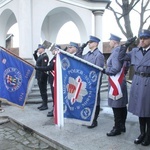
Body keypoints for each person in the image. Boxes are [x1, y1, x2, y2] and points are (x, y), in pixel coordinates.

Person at [118, 29, 150, 146]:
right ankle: (142, 133)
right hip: (137, 81)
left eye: (145, 38)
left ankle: (148, 135)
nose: (142, 40)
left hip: (148, 82)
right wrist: (126, 45)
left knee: (148, 110)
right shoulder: (135, 51)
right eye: (141, 38)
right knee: (140, 110)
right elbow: (121, 57)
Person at [102, 34, 128, 136]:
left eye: (110, 41)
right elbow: (126, 66)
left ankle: (117, 128)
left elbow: (116, 68)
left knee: (116, 105)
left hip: (116, 82)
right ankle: (122, 126)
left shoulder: (116, 52)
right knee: (121, 105)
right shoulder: (121, 51)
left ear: (114, 42)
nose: (109, 43)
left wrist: (105, 70)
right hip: (120, 80)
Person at [82, 35, 105, 128]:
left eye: (91, 42)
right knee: (87, 100)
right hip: (86, 81)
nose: (89, 44)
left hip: (94, 82)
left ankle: (94, 120)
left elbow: (98, 70)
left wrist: (94, 82)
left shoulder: (99, 55)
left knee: (95, 101)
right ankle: (88, 118)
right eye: (88, 42)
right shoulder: (87, 54)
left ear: (96, 43)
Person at [35, 45, 61, 117]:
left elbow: (49, 67)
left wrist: (38, 68)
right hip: (51, 78)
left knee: (52, 94)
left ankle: (52, 108)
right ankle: (52, 108)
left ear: (56, 50)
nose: (52, 51)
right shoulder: (54, 57)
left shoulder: (49, 57)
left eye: (53, 50)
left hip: (51, 78)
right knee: (52, 94)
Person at [33, 44, 49, 111]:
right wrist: (35, 53)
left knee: (43, 91)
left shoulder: (45, 56)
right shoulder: (41, 56)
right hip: (39, 75)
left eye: (39, 49)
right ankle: (43, 103)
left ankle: (45, 105)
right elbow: (37, 60)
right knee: (41, 91)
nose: (38, 50)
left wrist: (41, 78)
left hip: (42, 76)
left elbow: (44, 68)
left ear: (42, 49)